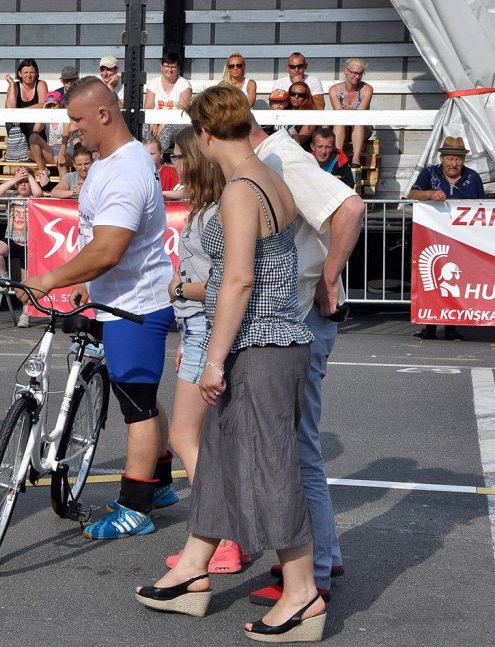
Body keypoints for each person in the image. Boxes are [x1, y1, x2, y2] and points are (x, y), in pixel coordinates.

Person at [135, 85, 325, 643]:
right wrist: (194, 288)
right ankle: (194, 568)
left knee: (271, 468)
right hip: (273, 339)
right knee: (217, 457)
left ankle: (302, 592)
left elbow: (241, 281)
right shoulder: (272, 179)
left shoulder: (243, 188)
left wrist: (214, 360)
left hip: (259, 344)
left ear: (207, 132)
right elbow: (243, 275)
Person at [19, 77, 178, 539]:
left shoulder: (127, 168)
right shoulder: (113, 161)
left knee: (138, 408)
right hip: (120, 299)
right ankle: (161, 480)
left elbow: (108, 249)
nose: (70, 131)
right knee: (140, 394)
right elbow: (101, 242)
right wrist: (89, 282)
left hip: (136, 306)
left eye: (76, 120)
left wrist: (49, 278)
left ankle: (137, 506)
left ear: (104, 115)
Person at [248, 107, 365, 609]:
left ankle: (312, 570)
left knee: (297, 450)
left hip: (303, 315)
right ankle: (324, 555)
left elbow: (351, 208)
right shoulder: (273, 153)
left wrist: (330, 276)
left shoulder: (276, 154)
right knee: (301, 447)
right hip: (299, 312)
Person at [161, 127, 249, 575]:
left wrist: (180, 288)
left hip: (206, 330)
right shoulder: (207, 207)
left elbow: (223, 282)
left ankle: (222, 540)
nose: (171, 162)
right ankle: (229, 536)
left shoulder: (217, 211)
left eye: (176, 155)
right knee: (204, 442)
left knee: (184, 438)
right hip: (197, 331)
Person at [408, 136, 482, 341]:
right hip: (432, 237)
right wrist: (430, 194)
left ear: (463, 160)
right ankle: (429, 326)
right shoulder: (429, 174)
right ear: (441, 158)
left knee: (457, 280)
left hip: (463, 240)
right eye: (449, 158)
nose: (454, 163)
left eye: (458, 159)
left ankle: (451, 327)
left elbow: (481, 205)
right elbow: (412, 194)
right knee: (431, 278)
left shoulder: (473, 177)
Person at [0, 166, 44, 328]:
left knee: (25, 281)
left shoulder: (34, 197)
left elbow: (39, 193)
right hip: (12, 239)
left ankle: (26, 313)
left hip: (29, 243)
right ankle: (4, 278)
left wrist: (30, 177)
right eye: (21, 183)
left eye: (27, 182)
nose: (24, 185)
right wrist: (15, 179)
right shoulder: (11, 196)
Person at [328, 58, 374, 167]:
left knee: (358, 121)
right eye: (354, 73)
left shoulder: (366, 89)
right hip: (343, 125)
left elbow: (361, 112)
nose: (357, 76)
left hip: (361, 127)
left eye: (360, 74)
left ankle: (356, 158)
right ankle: (338, 157)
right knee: (339, 121)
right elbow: (338, 112)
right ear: (346, 71)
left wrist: (349, 110)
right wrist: (350, 111)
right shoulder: (334, 90)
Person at [144, 52, 192, 151]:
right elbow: (148, 106)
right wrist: (153, 121)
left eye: (173, 67)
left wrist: (164, 123)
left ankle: (158, 154)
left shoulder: (184, 85)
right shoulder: (154, 82)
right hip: (155, 119)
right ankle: (148, 153)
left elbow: (181, 110)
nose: (169, 70)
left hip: (176, 122)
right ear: (161, 67)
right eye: (167, 66)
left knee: (168, 130)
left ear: (178, 68)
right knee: (145, 127)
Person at [5, 58, 48, 144]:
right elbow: (9, 108)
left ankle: (32, 149)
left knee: (37, 123)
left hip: (35, 121)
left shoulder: (41, 84)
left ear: (36, 73)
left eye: (31, 72)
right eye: (25, 72)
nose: (28, 75)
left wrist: (21, 112)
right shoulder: (15, 86)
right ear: (20, 74)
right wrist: (12, 84)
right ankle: (18, 150)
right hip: (19, 122)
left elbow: (43, 104)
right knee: (9, 121)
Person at [28, 90, 68, 175]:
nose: (52, 108)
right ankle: (42, 170)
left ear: (60, 104)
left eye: (54, 105)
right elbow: (35, 131)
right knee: (32, 142)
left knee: (61, 163)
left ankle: (64, 185)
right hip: (51, 151)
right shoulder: (47, 118)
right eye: (49, 105)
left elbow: (66, 136)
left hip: (65, 151)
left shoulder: (65, 116)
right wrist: (43, 111)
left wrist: (61, 155)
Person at [285, 81, 316, 148]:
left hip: (301, 150)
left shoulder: (311, 115)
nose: (296, 97)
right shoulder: (284, 110)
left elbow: (300, 141)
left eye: (301, 95)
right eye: (293, 94)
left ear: (306, 97)